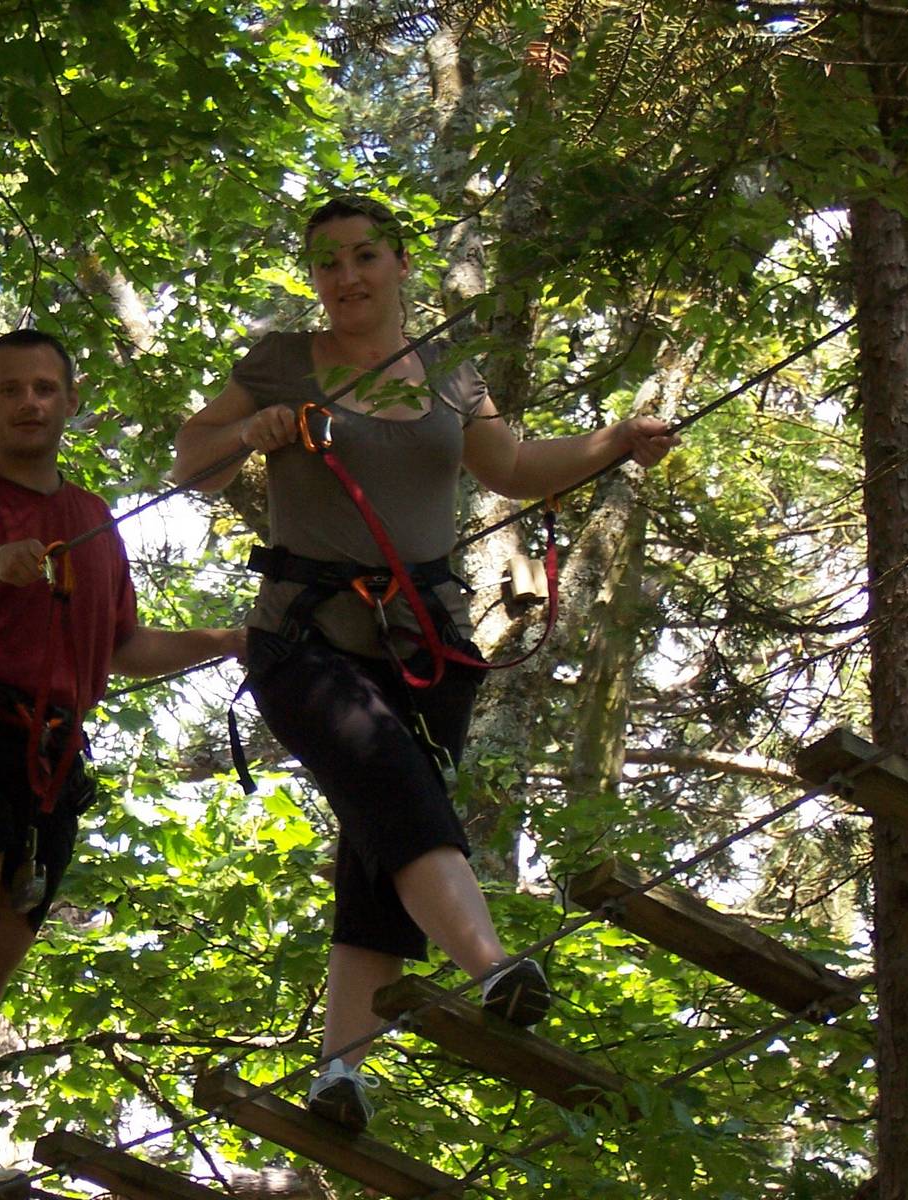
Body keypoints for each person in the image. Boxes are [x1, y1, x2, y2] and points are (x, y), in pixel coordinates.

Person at [171, 195, 676, 1132]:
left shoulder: (448, 369)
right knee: (395, 789)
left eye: (365, 256)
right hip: (304, 639)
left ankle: (339, 1075)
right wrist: (251, 432)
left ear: (402, 264)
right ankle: (494, 968)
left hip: (424, 645)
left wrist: (615, 442)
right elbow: (189, 463)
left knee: (382, 841)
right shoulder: (282, 362)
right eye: (328, 263)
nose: (347, 277)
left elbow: (511, 468)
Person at [0, 329, 245, 1199]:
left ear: (71, 401)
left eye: (44, 388)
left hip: (49, 761)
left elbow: (123, 645)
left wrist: (225, 640)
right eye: (10, 390)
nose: (29, 403)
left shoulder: (93, 518)